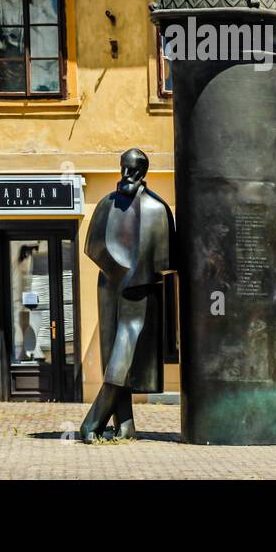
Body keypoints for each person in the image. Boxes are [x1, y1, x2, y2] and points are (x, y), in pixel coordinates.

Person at [79, 148, 174, 442]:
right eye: (123, 168)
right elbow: (92, 245)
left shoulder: (158, 209)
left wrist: (132, 274)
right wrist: (118, 271)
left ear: (143, 172)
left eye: (132, 170)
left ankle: (93, 421)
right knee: (113, 356)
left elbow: (166, 260)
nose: (125, 176)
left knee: (125, 352)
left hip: (140, 289)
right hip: (108, 287)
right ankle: (125, 424)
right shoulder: (107, 204)